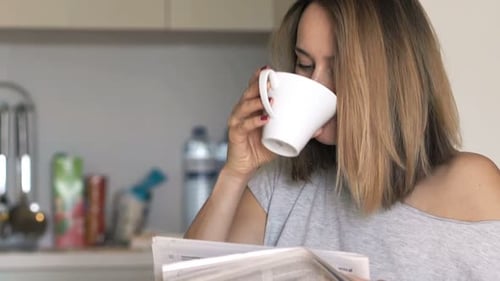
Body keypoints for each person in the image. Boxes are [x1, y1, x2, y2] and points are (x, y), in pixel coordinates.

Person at [185, 0, 500, 280]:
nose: (315, 84)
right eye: (305, 65)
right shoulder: (280, 188)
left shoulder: (470, 186)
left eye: (338, 69)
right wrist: (234, 174)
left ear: (392, 78)